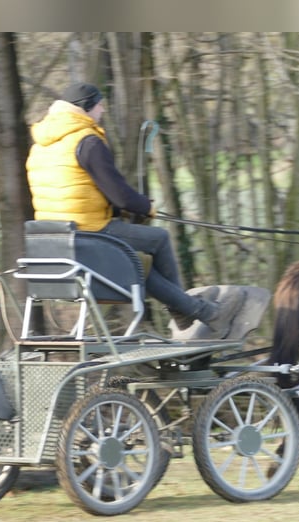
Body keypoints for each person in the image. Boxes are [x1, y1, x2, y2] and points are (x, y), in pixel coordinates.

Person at [25, 81, 240, 337]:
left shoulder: (41, 146)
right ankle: (184, 310)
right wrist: (145, 207)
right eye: (100, 105)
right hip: (89, 233)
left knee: (137, 265)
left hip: (55, 238)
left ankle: (194, 310)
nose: (103, 110)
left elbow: (73, 190)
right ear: (86, 108)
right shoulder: (87, 141)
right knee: (159, 238)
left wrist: (117, 210)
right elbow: (119, 194)